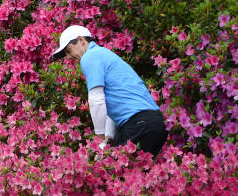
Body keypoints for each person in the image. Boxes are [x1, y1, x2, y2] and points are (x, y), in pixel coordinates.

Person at [51, 25, 167, 155]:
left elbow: (96, 100)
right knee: (132, 171)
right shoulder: (104, 54)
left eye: (68, 50)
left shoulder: (89, 57)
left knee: (114, 170)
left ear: (81, 40)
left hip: (139, 124)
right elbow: (115, 106)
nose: (68, 57)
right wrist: (108, 138)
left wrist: (99, 139)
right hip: (155, 123)